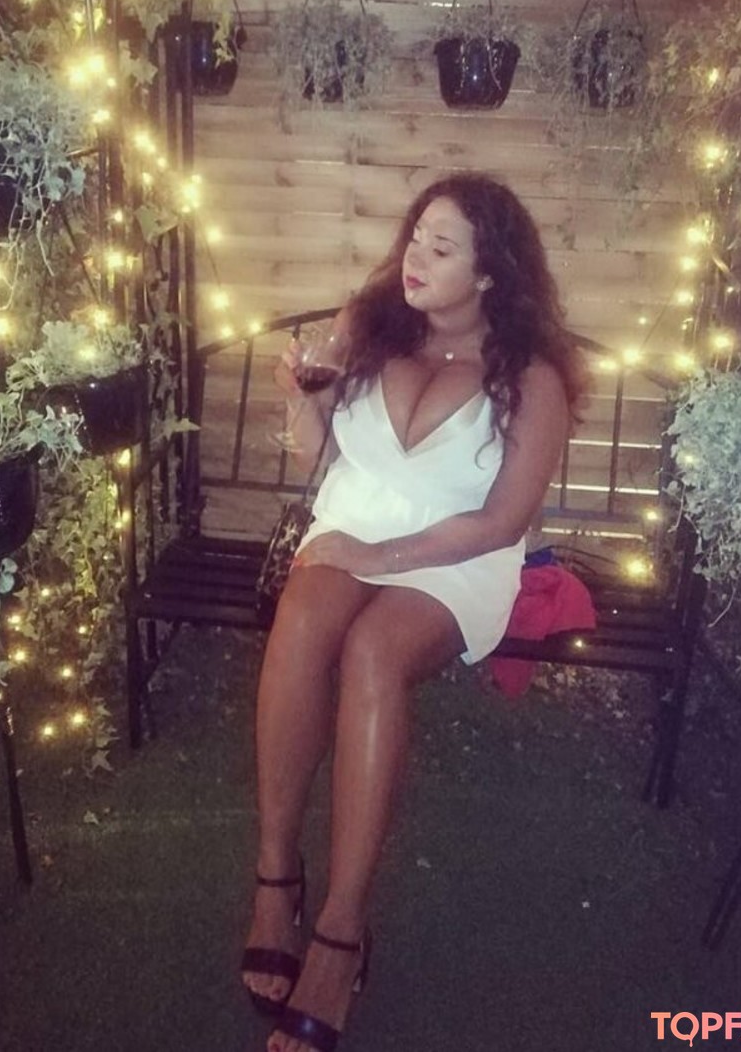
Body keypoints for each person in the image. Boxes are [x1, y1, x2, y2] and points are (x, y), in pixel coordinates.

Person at [241, 174, 588, 1052]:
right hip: (350, 525)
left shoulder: (532, 379)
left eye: (443, 248)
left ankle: (341, 930)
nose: (415, 260)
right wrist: (303, 401)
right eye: (414, 239)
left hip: (457, 557)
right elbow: (320, 458)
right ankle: (276, 879)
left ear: (490, 273)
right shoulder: (365, 330)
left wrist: (382, 560)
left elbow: (503, 521)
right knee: (303, 617)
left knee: (374, 651)